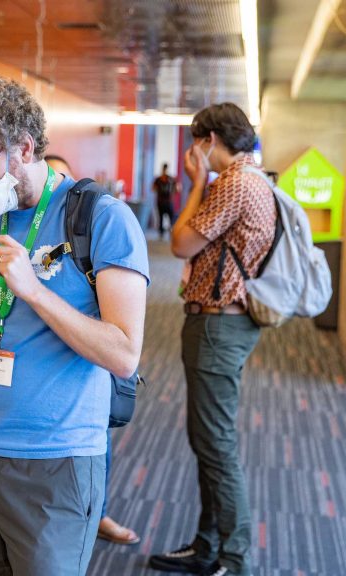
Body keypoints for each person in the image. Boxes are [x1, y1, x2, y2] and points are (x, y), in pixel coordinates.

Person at [0, 74, 149, 575]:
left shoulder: (102, 219)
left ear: (25, 148)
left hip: (58, 461)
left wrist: (33, 290)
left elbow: (123, 354)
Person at [149, 103, 275, 576]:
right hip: (224, 324)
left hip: (219, 326)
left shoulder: (235, 183)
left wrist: (198, 181)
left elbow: (180, 242)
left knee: (216, 444)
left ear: (209, 141)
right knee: (208, 440)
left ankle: (235, 558)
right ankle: (207, 547)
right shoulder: (254, 179)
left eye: (194, 141)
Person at [45, 154, 141, 547]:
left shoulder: (95, 225)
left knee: (96, 445)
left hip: (88, 373)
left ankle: (97, 512)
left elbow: (122, 343)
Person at [153, 162, 178, 239]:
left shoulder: (171, 179)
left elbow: (177, 188)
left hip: (168, 201)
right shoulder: (158, 179)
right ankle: (161, 233)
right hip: (161, 201)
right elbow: (153, 188)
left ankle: (171, 231)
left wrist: (172, 194)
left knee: (171, 217)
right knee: (160, 217)